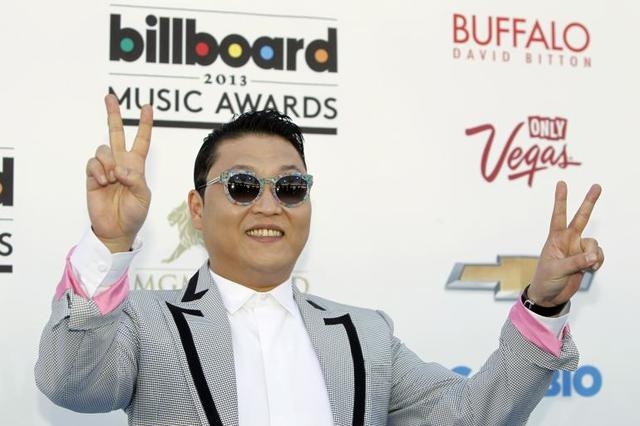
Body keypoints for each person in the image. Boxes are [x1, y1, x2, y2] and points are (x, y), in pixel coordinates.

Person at [35, 95, 604, 426]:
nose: (268, 205)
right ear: (198, 209)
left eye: (290, 187)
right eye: (242, 186)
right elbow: (69, 383)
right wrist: (109, 242)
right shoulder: (143, 322)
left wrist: (543, 306)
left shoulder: (365, 335)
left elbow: (472, 416)